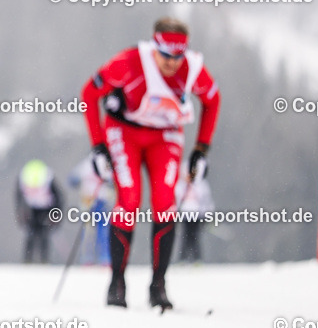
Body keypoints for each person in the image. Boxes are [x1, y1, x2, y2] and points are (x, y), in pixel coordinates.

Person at [80, 17, 220, 310]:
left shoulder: (192, 68)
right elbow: (89, 94)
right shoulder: (129, 62)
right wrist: (98, 147)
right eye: (166, 54)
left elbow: (212, 100)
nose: (172, 62)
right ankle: (117, 283)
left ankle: (159, 285)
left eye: (178, 55)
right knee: (129, 199)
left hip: (165, 136)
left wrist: (201, 149)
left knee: (165, 201)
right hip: (125, 132)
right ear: (154, 46)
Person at [66, 157, 113, 266]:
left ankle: (102, 258)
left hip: (101, 202)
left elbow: (73, 180)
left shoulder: (90, 163)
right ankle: (91, 259)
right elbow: (73, 180)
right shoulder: (89, 164)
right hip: (89, 202)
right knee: (91, 231)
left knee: (99, 231)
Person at [15, 159, 62, 263]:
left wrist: (56, 214)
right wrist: (20, 212)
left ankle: (44, 260)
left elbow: (59, 198)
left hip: (46, 208)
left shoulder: (49, 179)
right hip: (31, 209)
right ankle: (27, 260)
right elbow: (18, 198)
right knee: (30, 233)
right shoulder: (24, 179)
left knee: (44, 233)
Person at [176, 178, 213, 263]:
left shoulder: (201, 184)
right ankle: (183, 259)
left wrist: (207, 215)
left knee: (195, 236)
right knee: (185, 236)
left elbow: (206, 201)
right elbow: (177, 199)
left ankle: (197, 259)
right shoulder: (181, 185)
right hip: (185, 214)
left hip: (197, 214)